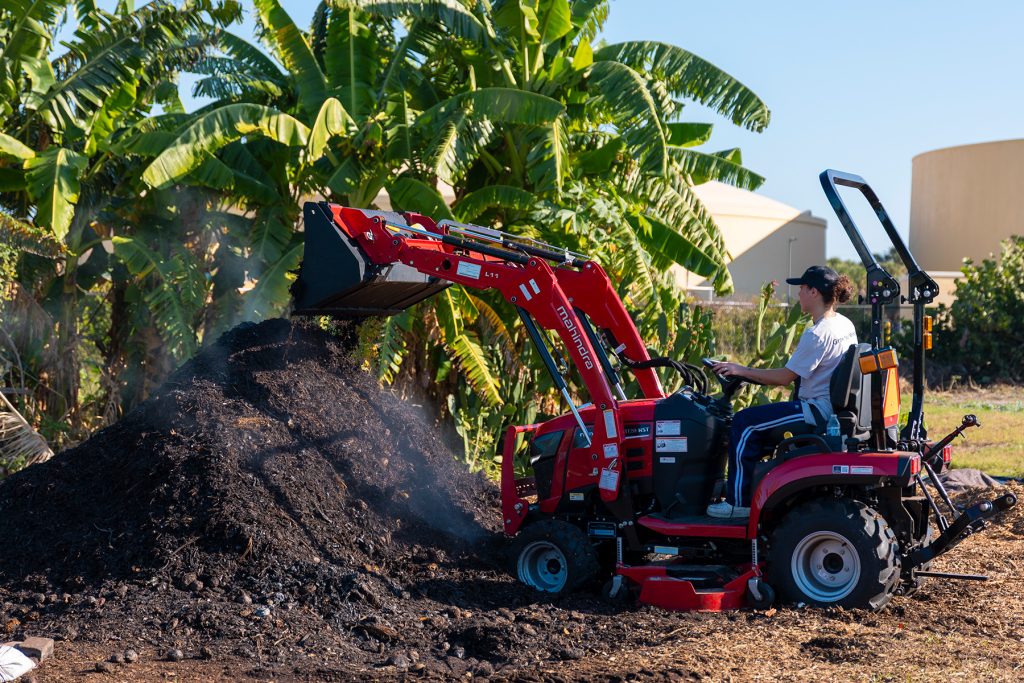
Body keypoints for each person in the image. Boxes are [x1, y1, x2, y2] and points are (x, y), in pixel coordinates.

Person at [706, 265, 857, 519]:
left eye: (801, 288)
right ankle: (755, 488)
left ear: (814, 292)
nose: (798, 294)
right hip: (830, 409)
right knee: (758, 424)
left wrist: (739, 369)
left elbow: (784, 378)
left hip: (815, 411)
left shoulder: (818, 334)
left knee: (744, 423)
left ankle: (737, 504)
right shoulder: (844, 324)